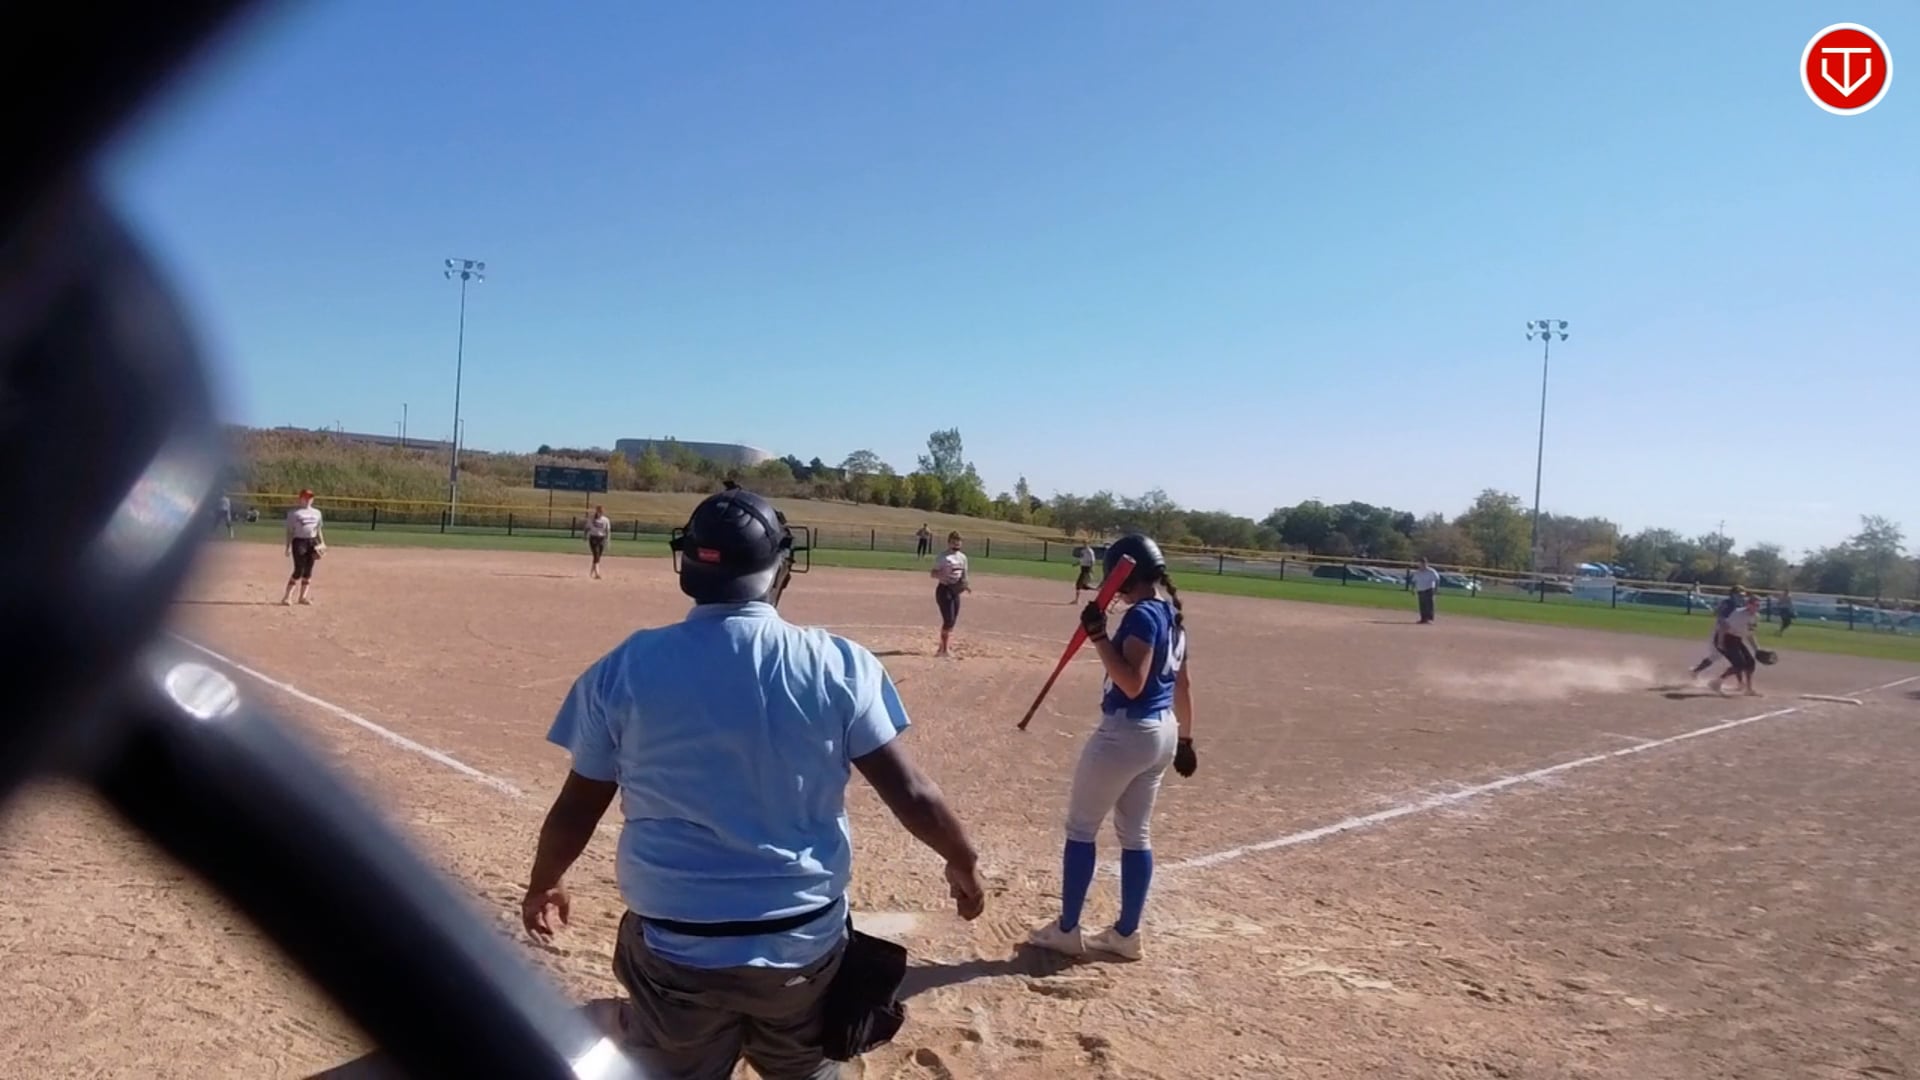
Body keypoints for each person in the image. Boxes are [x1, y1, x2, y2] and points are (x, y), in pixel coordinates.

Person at [521, 488, 985, 1080]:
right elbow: (912, 793)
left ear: (687, 566)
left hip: (675, 946)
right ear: (781, 568)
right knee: (805, 1063)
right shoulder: (838, 663)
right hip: (802, 946)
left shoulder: (625, 667)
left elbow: (577, 806)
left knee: (672, 1060)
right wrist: (963, 862)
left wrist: (545, 882)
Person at [1029, 534, 1197, 962]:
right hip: (1163, 732)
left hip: (1127, 732)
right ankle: (1126, 934)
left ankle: (1067, 930)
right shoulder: (1172, 615)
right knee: (1135, 834)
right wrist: (1187, 739)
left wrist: (1099, 637)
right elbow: (1183, 685)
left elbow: (1132, 683)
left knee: (1081, 829)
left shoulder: (1142, 616)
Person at [1711, 594, 1763, 697]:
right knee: (1739, 664)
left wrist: (1757, 649)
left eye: (1759, 605)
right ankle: (1716, 683)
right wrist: (1720, 643)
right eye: (1755, 604)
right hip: (1726, 638)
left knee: (1750, 662)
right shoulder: (1738, 614)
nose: (1757, 607)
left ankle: (1749, 689)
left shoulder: (1756, 617)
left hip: (1736, 640)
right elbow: (1723, 627)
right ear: (1748, 604)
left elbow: (1750, 634)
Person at [281, 489, 324, 606]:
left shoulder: (317, 513)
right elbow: (290, 531)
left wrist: (322, 543)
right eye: (306, 497)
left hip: (312, 542)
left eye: (310, 497)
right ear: (300, 499)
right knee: (298, 570)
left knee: (308, 570)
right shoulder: (294, 513)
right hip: (299, 541)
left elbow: (318, 530)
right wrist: (288, 546)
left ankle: (302, 597)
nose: (308, 500)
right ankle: (287, 597)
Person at [1690, 587, 1744, 679]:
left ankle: (1696, 671)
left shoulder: (1733, 603)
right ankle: (1695, 671)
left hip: (1730, 632)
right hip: (1719, 631)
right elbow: (1720, 617)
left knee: (1733, 656)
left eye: (1741, 595)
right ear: (1733, 594)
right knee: (1717, 655)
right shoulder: (1730, 604)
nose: (1741, 597)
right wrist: (1723, 625)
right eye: (1739, 595)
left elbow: (1716, 612)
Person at [930, 531, 969, 659]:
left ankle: (941, 647)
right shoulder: (943, 557)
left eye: (958, 542)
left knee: (953, 620)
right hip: (944, 589)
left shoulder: (963, 557)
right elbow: (933, 573)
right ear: (949, 543)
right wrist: (942, 574)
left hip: (955, 591)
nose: (956, 544)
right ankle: (945, 650)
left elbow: (964, 574)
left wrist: (965, 585)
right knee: (948, 619)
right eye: (953, 542)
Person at [585, 504, 611, 579]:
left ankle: (591, 573)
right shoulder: (592, 519)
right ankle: (597, 573)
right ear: (597, 511)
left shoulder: (606, 520)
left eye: (602, 511)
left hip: (601, 538)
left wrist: (608, 539)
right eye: (599, 511)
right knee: (596, 554)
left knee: (598, 556)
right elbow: (587, 528)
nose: (601, 512)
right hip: (593, 538)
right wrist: (585, 536)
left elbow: (608, 530)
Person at [1411, 558, 1440, 624]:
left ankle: (1429, 619)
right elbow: (1414, 581)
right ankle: (1423, 619)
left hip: (1429, 589)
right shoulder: (1417, 572)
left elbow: (1437, 580)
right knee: (1422, 605)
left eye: (1423, 563)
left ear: (1426, 564)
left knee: (1429, 605)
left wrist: (1436, 589)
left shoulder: (1431, 571)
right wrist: (1413, 589)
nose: (1421, 565)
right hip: (1420, 590)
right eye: (1420, 564)